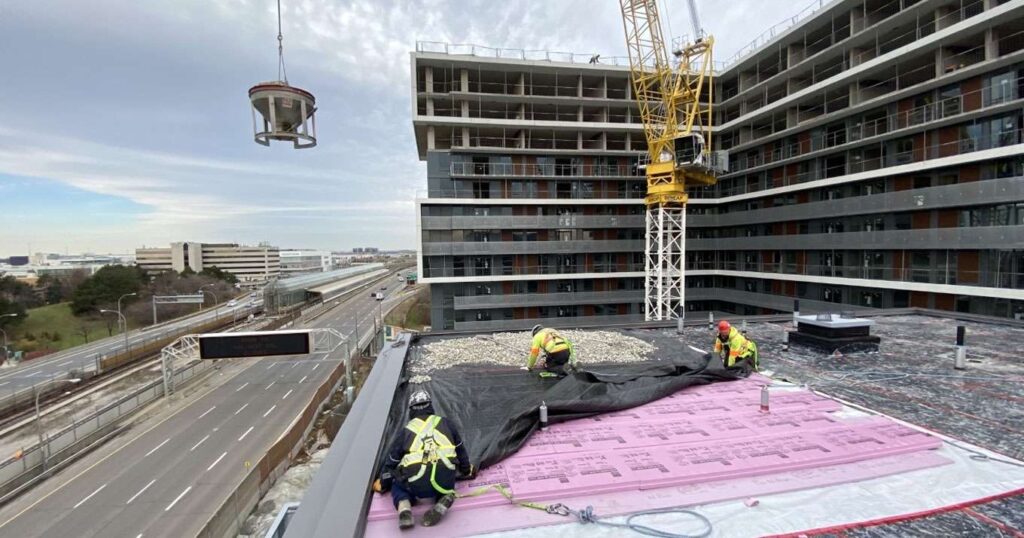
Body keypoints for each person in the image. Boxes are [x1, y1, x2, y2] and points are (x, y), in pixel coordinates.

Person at [373, 390, 474, 529]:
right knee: (446, 484)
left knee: (398, 485)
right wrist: (466, 469)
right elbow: (461, 451)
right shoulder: (446, 423)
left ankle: (404, 509)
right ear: (430, 406)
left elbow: (392, 461)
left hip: (417, 485)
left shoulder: (407, 430)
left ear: (411, 410)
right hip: (444, 481)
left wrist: (383, 482)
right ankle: (445, 498)